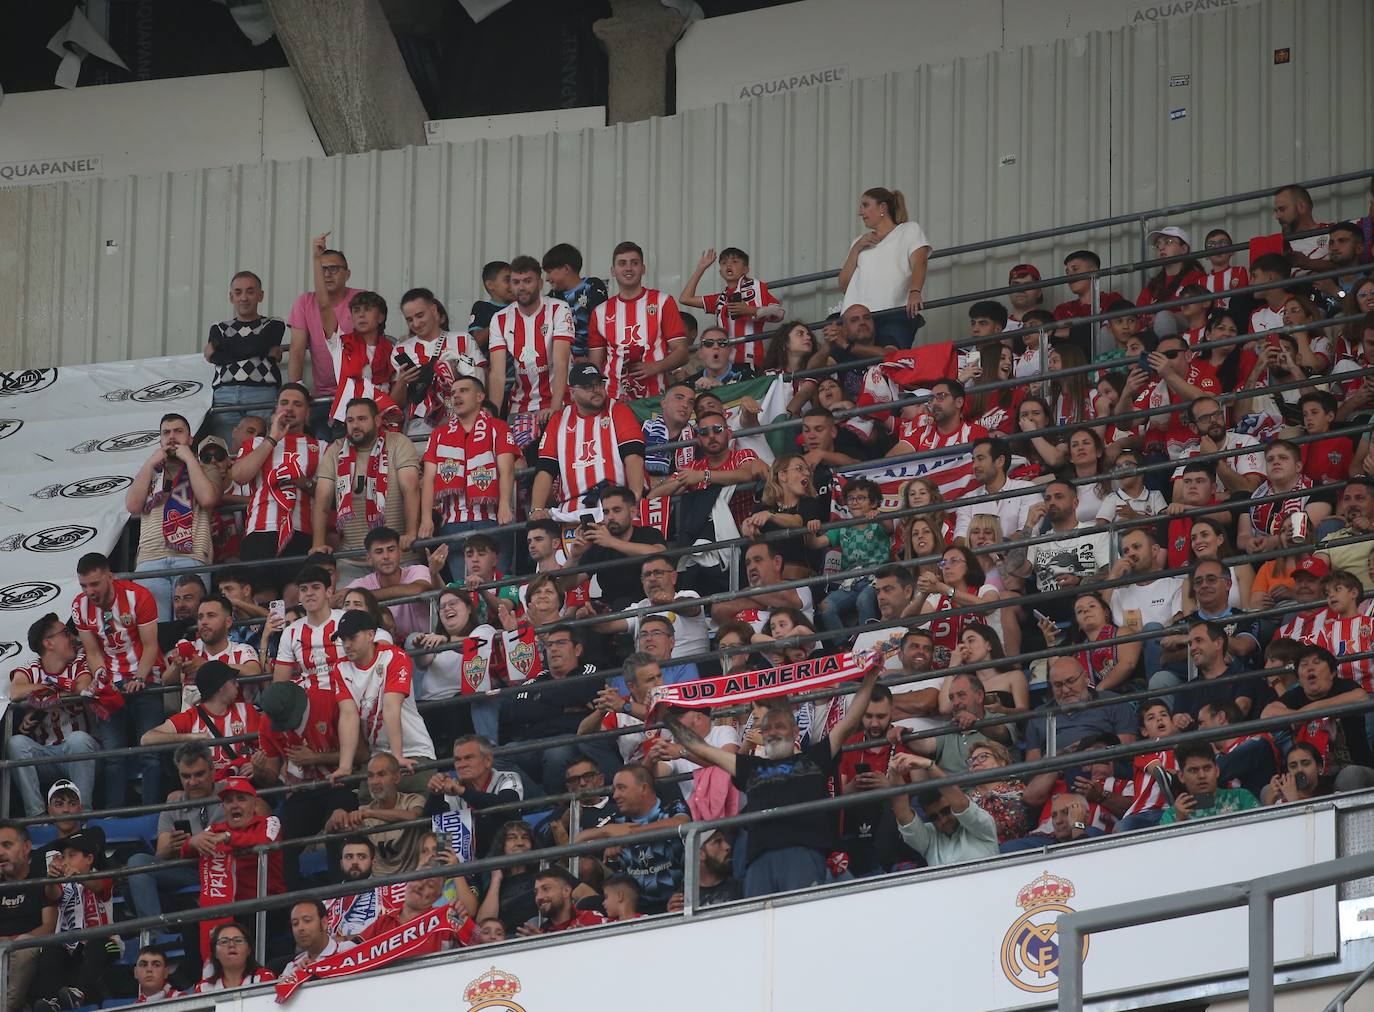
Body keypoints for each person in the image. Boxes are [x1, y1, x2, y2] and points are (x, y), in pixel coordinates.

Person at [666, 660, 880, 897]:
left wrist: (870, 678)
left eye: (780, 726)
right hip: (759, 859)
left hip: (804, 852)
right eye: (767, 728)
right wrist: (664, 714)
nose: (773, 731)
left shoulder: (815, 757)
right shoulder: (749, 766)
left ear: (796, 731)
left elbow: (849, 722)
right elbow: (700, 748)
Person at [71, 551, 164, 807]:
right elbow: (92, 651)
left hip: (147, 679)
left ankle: (152, 814)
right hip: (111, 684)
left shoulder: (139, 596)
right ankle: (113, 816)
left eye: (94, 584)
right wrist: (101, 679)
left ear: (110, 577)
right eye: (83, 585)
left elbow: (150, 646)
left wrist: (139, 677)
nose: (89, 591)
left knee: (150, 751)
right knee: (113, 755)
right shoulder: (79, 605)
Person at [252, 679, 359, 886]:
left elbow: (362, 754)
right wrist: (259, 771)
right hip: (303, 792)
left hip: (341, 783)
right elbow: (270, 779)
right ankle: (293, 905)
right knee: (279, 839)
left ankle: (342, 898)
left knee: (337, 828)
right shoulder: (267, 722)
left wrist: (316, 758)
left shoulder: (329, 701)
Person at [312, 397, 422, 583]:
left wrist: (411, 532)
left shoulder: (398, 443)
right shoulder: (335, 450)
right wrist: (318, 543)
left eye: (362, 419)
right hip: (352, 559)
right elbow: (322, 500)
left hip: (399, 556)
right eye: (350, 420)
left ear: (377, 420)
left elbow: (410, 488)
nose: (355, 425)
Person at [125, 413, 224, 618]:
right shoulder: (149, 471)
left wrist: (188, 458)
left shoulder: (206, 469)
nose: (172, 437)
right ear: (160, 440)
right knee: (156, 631)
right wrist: (150, 463)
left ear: (190, 438)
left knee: (191, 629)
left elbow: (207, 499)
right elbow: (132, 505)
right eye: (166, 433)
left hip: (192, 557)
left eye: (178, 432)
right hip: (149, 560)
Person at [230, 383, 328, 583]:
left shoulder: (321, 447)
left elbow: (327, 497)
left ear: (307, 413)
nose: (289, 409)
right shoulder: (256, 443)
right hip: (260, 531)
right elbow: (239, 475)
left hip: (301, 533)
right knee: (261, 597)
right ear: (275, 410)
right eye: (284, 403)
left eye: (297, 404)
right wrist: (273, 437)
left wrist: (304, 483)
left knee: (294, 599)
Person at [419, 374, 519, 568]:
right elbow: (429, 479)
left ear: (480, 397)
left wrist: (505, 505)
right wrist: (425, 519)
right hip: (452, 524)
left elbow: (506, 470)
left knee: (495, 586)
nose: (456, 396)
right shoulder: (438, 434)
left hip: (491, 519)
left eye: (463, 391)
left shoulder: (498, 427)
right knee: (462, 592)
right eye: (453, 393)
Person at [181, 777, 285, 963]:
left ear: (255, 804)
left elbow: (265, 842)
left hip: (266, 905)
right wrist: (192, 841)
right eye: (228, 801)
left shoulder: (270, 822)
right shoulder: (214, 829)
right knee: (190, 922)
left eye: (241, 799)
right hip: (227, 907)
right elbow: (186, 854)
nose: (234, 805)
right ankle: (199, 979)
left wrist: (229, 838)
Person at [6, 615, 100, 817]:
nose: (73, 637)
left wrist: (47, 697)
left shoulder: (80, 661)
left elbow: (83, 686)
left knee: (78, 739)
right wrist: (53, 689)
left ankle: (82, 815)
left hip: (81, 754)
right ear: (48, 643)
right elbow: (16, 692)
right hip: (47, 755)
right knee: (16, 743)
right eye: (66, 634)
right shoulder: (31, 669)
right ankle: (37, 817)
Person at [126, 745, 221, 931]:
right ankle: (155, 936)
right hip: (189, 872)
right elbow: (161, 855)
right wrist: (172, 846)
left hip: (222, 869)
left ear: (212, 770)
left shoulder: (229, 795)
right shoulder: (173, 805)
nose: (192, 782)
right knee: (138, 862)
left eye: (199, 774)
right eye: (186, 776)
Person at [330, 610, 436, 774]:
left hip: (416, 750)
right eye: (343, 639)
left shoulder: (394, 656)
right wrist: (345, 766)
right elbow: (348, 716)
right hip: (377, 757)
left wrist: (397, 757)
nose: (346, 645)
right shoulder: (340, 668)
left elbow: (391, 707)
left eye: (352, 638)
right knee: (365, 798)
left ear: (370, 635)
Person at [531, 364, 646, 513]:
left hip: (616, 501)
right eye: (587, 387)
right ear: (572, 393)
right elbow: (545, 469)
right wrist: (536, 510)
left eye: (599, 384)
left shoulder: (618, 410)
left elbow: (634, 457)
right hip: (572, 509)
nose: (596, 390)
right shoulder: (558, 420)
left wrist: (634, 499)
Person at [575, 764, 689, 913]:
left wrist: (632, 833)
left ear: (643, 788)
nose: (615, 795)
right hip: (634, 907)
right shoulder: (618, 821)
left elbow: (681, 823)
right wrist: (609, 831)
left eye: (622, 788)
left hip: (676, 899)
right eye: (614, 790)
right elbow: (579, 840)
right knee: (587, 904)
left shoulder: (672, 807)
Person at [501, 626, 600, 793]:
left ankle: (557, 804)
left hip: (570, 738)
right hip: (532, 742)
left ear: (577, 649)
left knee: (556, 754)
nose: (553, 649)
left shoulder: (588, 672)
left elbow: (585, 692)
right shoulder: (534, 681)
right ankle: (541, 803)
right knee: (498, 756)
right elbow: (518, 713)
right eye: (549, 645)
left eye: (560, 643)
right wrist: (564, 707)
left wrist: (541, 699)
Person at [1262, 645, 1374, 790]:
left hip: (1357, 770)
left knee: (1350, 775)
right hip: (1311, 780)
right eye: (1304, 665)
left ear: (1333, 672)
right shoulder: (1296, 695)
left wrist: (1311, 710)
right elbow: (1267, 714)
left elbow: (1361, 698)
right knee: (1268, 791)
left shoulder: (1344, 686)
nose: (1310, 668)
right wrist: (1299, 716)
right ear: (1299, 678)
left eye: (1316, 663)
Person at [589, 241, 689, 402]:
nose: (628, 268)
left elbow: (682, 352)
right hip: (613, 399)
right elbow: (595, 364)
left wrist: (656, 366)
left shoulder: (663, 302)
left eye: (634, 263)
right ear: (613, 271)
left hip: (655, 398)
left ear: (643, 269)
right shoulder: (599, 312)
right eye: (622, 263)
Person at [838, 186, 931, 347]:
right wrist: (855, 249)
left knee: (890, 359)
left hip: (894, 312)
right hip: (859, 317)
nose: (860, 212)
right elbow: (844, 285)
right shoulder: (859, 241)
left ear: (883, 208)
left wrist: (915, 291)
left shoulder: (909, 230)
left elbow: (919, 262)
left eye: (865, 205)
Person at [486, 254, 573, 426]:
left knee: (554, 451)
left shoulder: (558, 308)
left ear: (540, 284)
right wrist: (494, 422)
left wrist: (554, 410)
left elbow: (561, 362)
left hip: (561, 403)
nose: (522, 287)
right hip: (520, 406)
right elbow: (497, 374)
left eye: (527, 281)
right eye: (516, 282)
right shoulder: (500, 318)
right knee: (520, 453)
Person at [35, 829, 116, 1012]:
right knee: (50, 946)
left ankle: (78, 994)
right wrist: (50, 879)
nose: (66, 861)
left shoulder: (102, 876)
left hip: (106, 944)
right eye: (64, 857)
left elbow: (97, 886)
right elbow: (52, 894)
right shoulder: (62, 883)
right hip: (71, 947)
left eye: (72, 855)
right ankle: (51, 1002)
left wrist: (80, 877)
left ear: (89, 859)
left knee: (97, 939)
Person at [1009, 480, 1111, 625]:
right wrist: (1028, 525)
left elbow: (1110, 574)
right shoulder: (1038, 540)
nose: (1052, 502)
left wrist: (1079, 581)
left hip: (1081, 599)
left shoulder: (1094, 533)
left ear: (1075, 503)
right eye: (1048, 498)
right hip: (1046, 607)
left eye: (1059, 497)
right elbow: (1014, 569)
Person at [141, 660, 261, 778]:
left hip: (243, 785)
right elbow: (147, 739)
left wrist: (255, 764)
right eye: (233, 681)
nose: (237, 684)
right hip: (208, 788)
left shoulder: (246, 711)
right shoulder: (191, 717)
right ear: (220, 686)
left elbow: (264, 747)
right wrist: (193, 737)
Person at [204, 270, 284, 441]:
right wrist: (260, 350)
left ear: (260, 295)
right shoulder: (218, 327)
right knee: (225, 451)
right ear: (231, 297)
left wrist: (223, 350)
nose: (244, 297)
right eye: (238, 292)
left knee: (262, 447)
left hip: (261, 392)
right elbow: (256, 346)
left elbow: (255, 345)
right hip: (224, 395)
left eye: (250, 291)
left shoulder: (274, 323)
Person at [560, 485, 667, 610]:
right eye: (606, 512)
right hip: (611, 611)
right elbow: (565, 585)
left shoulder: (648, 533)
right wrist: (574, 557)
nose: (610, 517)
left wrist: (612, 542)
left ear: (633, 512)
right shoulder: (598, 544)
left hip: (649, 604)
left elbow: (661, 553)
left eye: (616, 510)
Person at [679, 247, 785, 369]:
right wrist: (701, 268)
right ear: (720, 272)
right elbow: (685, 298)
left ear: (745, 269)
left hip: (751, 361)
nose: (728, 265)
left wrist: (750, 310)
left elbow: (779, 313)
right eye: (724, 263)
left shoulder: (757, 288)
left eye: (734, 261)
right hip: (723, 365)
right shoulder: (720, 299)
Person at [887, 753, 999, 866]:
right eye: (934, 817)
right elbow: (903, 817)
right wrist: (895, 773)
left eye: (946, 811)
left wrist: (930, 766)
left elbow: (960, 804)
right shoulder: (930, 836)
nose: (943, 820)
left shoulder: (982, 825)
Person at [287, 239, 361, 408]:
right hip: (322, 397)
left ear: (347, 274)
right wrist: (296, 393)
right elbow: (297, 350)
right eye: (322, 269)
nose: (327, 274)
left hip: (358, 392)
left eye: (334, 269)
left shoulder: (361, 299)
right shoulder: (304, 302)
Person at [428, 735, 525, 863]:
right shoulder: (451, 787)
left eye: (468, 758)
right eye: (457, 760)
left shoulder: (507, 778)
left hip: (502, 860)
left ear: (488, 760)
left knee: (491, 819)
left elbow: (506, 806)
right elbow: (433, 827)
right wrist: (436, 793)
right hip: (461, 867)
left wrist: (462, 792)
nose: (461, 765)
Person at [886, 379, 987, 500]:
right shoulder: (922, 431)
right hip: (924, 511)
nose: (934, 403)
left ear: (959, 402)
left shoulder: (976, 433)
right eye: (931, 399)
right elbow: (890, 461)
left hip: (963, 509)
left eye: (940, 397)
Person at [1024, 657, 1137, 760]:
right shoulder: (1039, 715)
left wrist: (1091, 750)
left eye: (1071, 681)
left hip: (1103, 769)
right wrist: (1062, 755)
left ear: (1085, 678)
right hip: (1057, 774)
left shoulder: (1112, 702)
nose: (1066, 690)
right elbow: (1033, 766)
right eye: (1058, 685)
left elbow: (1127, 749)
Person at [344, 527, 441, 643]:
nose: (386, 556)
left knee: (412, 640)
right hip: (383, 650)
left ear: (400, 554)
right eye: (379, 552)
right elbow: (339, 599)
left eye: (391, 550)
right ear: (369, 559)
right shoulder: (362, 583)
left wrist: (366, 596)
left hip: (423, 647)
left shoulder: (417, 570)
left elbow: (418, 589)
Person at [271, 565, 347, 688]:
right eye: (304, 589)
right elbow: (280, 685)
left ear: (329, 592)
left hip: (350, 696)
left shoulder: (346, 620)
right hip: (311, 700)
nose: (309, 593)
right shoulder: (291, 632)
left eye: (316, 587)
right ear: (299, 596)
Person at [954, 436, 1038, 541]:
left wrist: (992, 549)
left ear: (1000, 461)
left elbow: (1026, 534)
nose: (974, 466)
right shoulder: (967, 500)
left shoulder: (1027, 490)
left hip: (1020, 556)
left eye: (980, 459)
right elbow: (961, 540)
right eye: (973, 460)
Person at [1159, 742, 1260, 824]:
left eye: (1207, 768)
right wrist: (1179, 821)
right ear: (1181, 776)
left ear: (1217, 771)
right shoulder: (1172, 814)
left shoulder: (1241, 797)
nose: (1202, 775)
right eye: (1194, 770)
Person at [543, 242, 608, 363]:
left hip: (593, 364)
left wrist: (591, 359)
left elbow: (603, 328)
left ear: (566, 269)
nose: (547, 278)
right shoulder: (551, 297)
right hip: (561, 364)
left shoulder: (592, 287)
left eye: (550, 271)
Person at [192, 920, 275, 992]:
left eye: (238, 940)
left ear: (249, 950)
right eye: (224, 941)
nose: (231, 944)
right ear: (215, 953)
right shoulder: (203, 988)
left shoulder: (264, 978)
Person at [642, 381, 698, 478]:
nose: (685, 405)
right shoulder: (641, 430)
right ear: (663, 403)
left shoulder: (697, 438)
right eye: (679, 398)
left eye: (691, 402)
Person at [528, 867, 607, 933]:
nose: (539, 897)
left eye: (546, 889)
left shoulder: (591, 919)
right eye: (536, 892)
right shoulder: (541, 933)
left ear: (566, 891)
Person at [1274, 183, 1331, 272]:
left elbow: (1346, 266)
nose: (1277, 216)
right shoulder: (1276, 245)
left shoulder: (1332, 233)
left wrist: (1309, 263)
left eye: (1282, 209)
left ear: (1301, 206)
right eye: (1276, 211)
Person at [467, 260, 512, 353]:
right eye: (508, 280)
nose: (514, 284)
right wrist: (503, 319)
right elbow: (476, 341)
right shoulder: (482, 308)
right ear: (490, 285)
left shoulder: (521, 307)